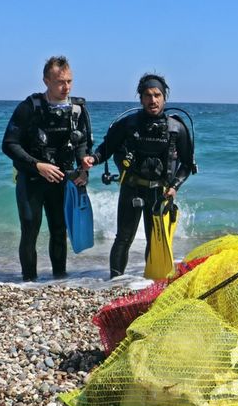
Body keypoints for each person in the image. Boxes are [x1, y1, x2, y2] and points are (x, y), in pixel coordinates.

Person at [82, 73, 195, 278]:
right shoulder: (127, 124)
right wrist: (93, 159)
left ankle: (148, 284)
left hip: (160, 192)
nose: (152, 100)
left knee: (156, 241)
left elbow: (187, 165)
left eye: (157, 95)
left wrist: (175, 186)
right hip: (131, 188)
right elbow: (106, 148)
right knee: (123, 238)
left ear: (164, 97)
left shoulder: (176, 128)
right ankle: (115, 282)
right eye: (147, 95)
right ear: (141, 98)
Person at [2, 56, 92, 281]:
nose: (66, 87)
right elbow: (9, 144)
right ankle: (29, 281)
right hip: (32, 179)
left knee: (59, 231)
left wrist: (83, 169)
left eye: (69, 81)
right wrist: (37, 165)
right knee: (30, 231)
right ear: (46, 81)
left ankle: (60, 278)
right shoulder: (29, 108)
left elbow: (83, 143)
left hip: (61, 179)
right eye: (60, 82)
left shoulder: (78, 110)